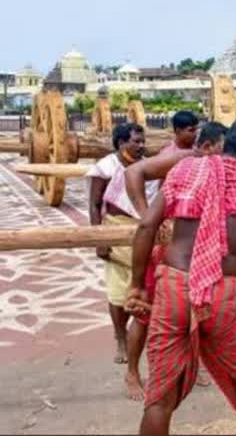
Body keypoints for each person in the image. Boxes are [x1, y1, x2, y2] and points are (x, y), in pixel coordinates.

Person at [126, 117, 236, 436]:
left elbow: (146, 226)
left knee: (160, 395)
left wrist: (138, 285)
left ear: (225, 144)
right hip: (222, 290)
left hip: (173, 284)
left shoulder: (186, 172)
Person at [122, 121, 226, 400]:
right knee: (144, 313)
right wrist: (148, 216)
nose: (224, 156)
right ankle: (132, 372)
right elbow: (134, 171)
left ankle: (190, 364)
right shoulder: (187, 158)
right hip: (164, 251)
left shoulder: (217, 167)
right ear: (207, 147)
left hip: (194, 256)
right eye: (221, 149)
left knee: (194, 311)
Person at [87, 123, 159, 365]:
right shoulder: (105, 167)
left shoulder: (148, 165)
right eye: (135, 141)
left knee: (146, 285)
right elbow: (95, 205)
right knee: (118, 291)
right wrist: (100, 239)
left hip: (144, 230)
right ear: (120, 143)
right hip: (115, 229)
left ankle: (143, 335)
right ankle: (121, 338)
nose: (141, 146)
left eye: (142, 141)